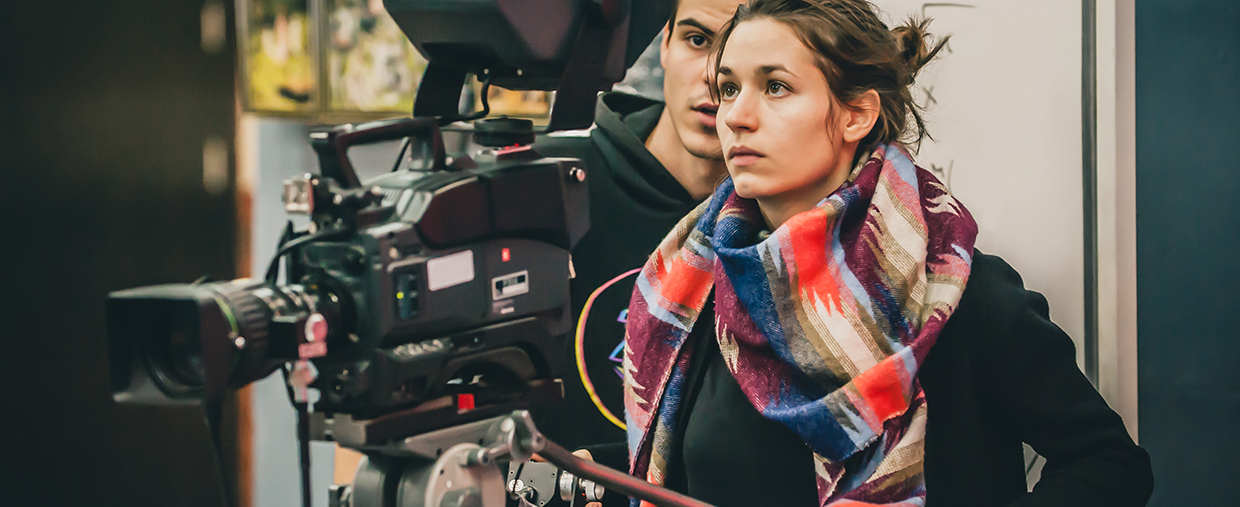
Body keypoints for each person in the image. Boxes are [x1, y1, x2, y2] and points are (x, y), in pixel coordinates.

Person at [620, 1, 1154, 506]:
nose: (735, 115)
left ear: (857, 115)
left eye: (776, 87)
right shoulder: (696, 286)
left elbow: (1109, 465)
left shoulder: (962, 297)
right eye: (729, 87)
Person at [531, 0, 747, 455]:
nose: (714, 74)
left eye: (739, 51)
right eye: (697, 39)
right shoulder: (550, 184)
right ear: (664, 43)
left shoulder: (795, 225)